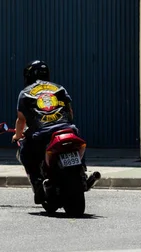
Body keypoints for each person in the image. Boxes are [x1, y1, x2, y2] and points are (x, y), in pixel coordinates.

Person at [13, 60, 85, 204]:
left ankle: (38, 183)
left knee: (24, 151)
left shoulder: (25, 93)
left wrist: (17, 135)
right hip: (68, 129)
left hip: (43, 134)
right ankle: (82, 173)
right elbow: (70, 112)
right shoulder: (59, 88)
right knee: (77, 142)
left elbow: (21, 120)